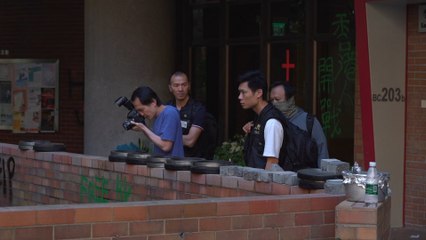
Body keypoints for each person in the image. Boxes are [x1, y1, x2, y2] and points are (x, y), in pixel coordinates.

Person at [244, 81, 329, 165]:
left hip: (304, 175)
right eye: (271, 100)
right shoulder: (268, 121)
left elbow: (322, 151)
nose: (274, 103)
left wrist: (322, 175)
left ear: (290, 100)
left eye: (277, 99)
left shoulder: (309, 121)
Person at [238, 70, 284, 170]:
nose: (239, 97)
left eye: (244, 92)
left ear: (259, 93)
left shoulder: (272, 123)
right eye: (239, 92)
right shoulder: (259, 117)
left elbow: (272, 164)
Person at [130, 86, 184, 157]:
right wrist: (143, 129)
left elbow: (166, 146)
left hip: (173, 166)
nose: (141, 114)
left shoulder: (170, 113)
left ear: (153, 102)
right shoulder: (157, 117)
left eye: (141, 109)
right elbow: (158, 141)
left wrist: (143, 128)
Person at [167, 71, 210, 158]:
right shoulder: (167, 108)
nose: (180, 89)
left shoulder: (198, 109)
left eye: (184, 85)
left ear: (189, 86)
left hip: (192, 161)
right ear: (170, 88)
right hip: (170, 159)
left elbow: (190, 141)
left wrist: (167, 138)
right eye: (176, 85)